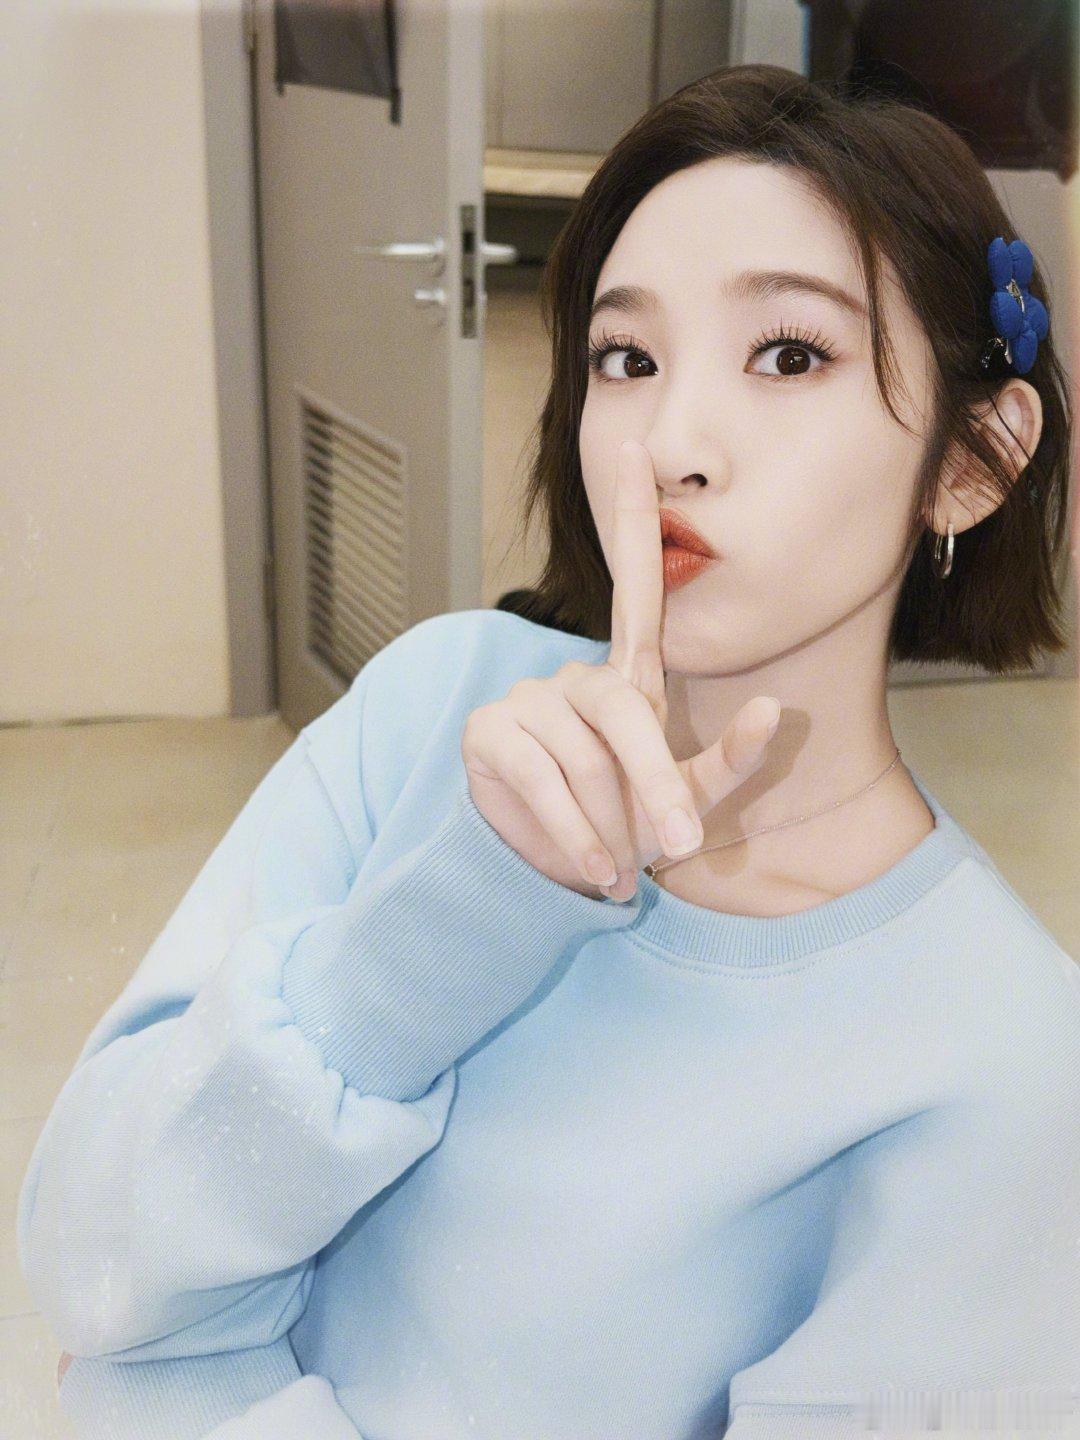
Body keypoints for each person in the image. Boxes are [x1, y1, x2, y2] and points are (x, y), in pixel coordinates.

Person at [20, 63, 1078, 1440]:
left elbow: (135, 1355)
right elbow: (94, 1257)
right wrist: (449, 922)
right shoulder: (433, 705)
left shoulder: (1008, 1059)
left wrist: (179, 1383)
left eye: (788, 355)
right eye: (625, 360)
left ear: (974, 459)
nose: (670, 443)